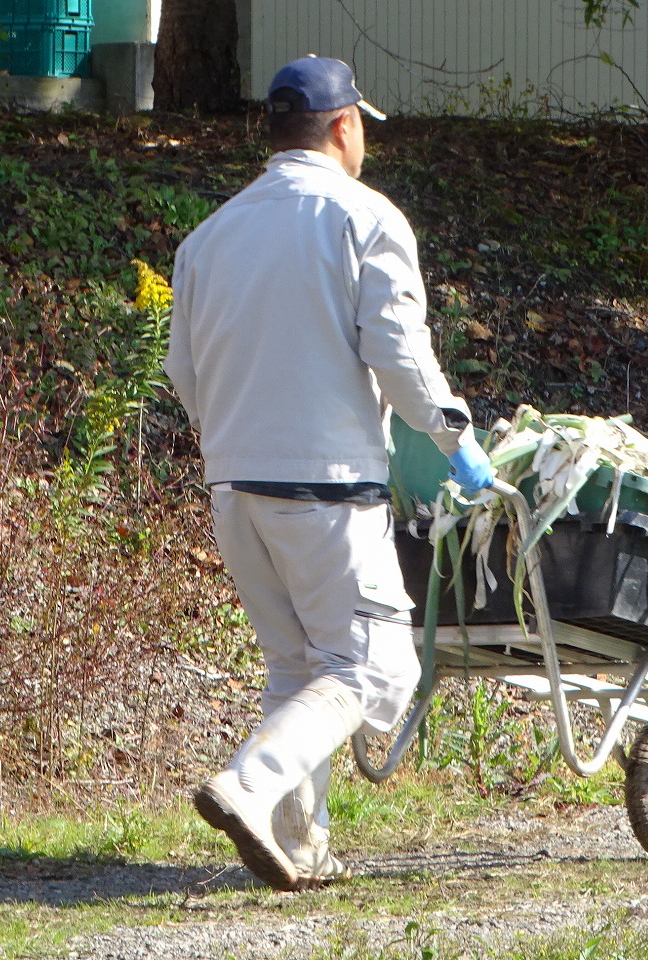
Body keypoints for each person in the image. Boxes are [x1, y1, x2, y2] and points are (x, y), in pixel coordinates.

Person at [164, 55, 494, 892]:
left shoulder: (209, 236)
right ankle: (251, 782)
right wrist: (450, 432)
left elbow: (182, 372)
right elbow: (397, 352)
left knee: (299, 668)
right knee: (378, 669)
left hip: (234, 486)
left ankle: (297, 841)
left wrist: (231, 445)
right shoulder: (366, 218)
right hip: (328, 486)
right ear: (346, 127)